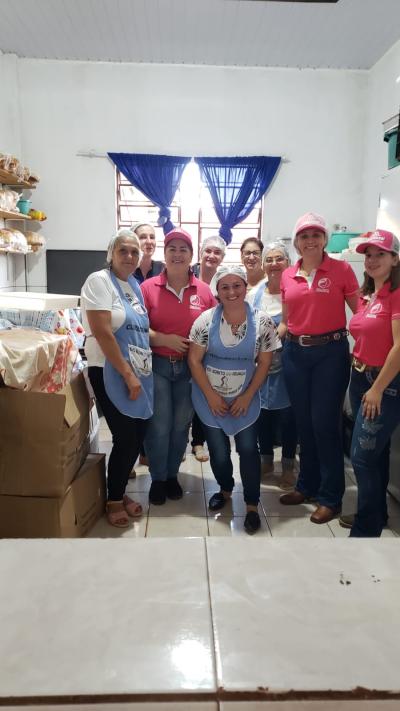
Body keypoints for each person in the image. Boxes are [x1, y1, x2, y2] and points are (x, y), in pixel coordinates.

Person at [279, 212, 359, 524]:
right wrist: (266, 341)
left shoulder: (341, 270)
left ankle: (331, 497)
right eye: (304, 236)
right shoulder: (288, 274)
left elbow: (360, 312)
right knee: (304, 424)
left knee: (325, 425)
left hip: (330, 353)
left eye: (316, 234)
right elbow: (287, 321)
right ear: (297, 242)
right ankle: (306, 486)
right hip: (295, 354)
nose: (310, 240)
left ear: (324, 239)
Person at [189, 265, 280, 534]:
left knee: (249, 449)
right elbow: (194, 360)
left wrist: (248, 396)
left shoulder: (262, 322)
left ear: (245, 287)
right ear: (217, 291)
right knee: (218, 450)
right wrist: (211, 396)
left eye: (237, 285)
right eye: (225, 287)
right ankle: (225, 488)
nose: (231, 291)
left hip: (245, 396)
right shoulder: (205, 321)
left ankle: (252, 503)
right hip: (209, 397)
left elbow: (264, 363)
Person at [80, 229, 153, 528]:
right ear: (111, 253)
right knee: (125, 438)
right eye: (123, 250)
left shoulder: (133, 285)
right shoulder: (99, 281)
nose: (130, 256)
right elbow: (103, 332)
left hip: (138, 371)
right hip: (109, 370)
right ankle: (113, 500)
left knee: (138, 435)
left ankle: (119, 492)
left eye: (135, 252)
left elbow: (140, 330)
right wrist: (126, 373)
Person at [140, 228, 216, 505]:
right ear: (164, 254)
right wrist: (163, 339)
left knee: (180, 425)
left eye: (183, 249)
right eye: (172, 248)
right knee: (159, 425)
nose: (177, 253)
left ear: (191, 257)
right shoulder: (147, 288)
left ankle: (172, 475)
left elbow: (214, 329)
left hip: (190, 370)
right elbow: (136, 328)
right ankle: (158, 478)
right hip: (157, 365)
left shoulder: (205, 292)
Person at [345, 230, 400, 537]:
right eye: (368, 254)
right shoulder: (369, 296)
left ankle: (365, 530)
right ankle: (376, 514)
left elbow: (399, 346)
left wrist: (377, 388)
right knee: (375, 455)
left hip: (383, 383)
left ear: (395, 258)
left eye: (381, 253)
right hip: (360, 376)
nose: (373, 260)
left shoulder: (396, 293)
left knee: (362, 457)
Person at [248, 241, 298, 490]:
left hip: (289, 359)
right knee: (262, 413)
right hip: (261, 363)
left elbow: (288, 324)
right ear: (263, 264)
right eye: (269, 259)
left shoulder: (295, 290)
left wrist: (269, 345)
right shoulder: (255, 292)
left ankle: (288, 465)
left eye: (280, 259)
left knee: (289, 416)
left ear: (288, 262)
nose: (274, 264)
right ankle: (266, 460)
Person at [131, 221, 164, 468]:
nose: (149, 241)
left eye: (152, 236)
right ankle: (136, 453)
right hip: (133, 347)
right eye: (143, 237)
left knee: (155, 404)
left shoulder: (163, 269)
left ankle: (151, 451)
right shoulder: (123, 271)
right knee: (134, 401)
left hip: (160, 349)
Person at [191, 235, 227, 461]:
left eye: (217, 253)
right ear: (200, 253)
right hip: (185, 346)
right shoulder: (188, 277)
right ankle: (176, 444)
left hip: (212, 350)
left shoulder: (224, 282)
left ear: (222, 257)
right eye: (208, 251)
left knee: (205, 394)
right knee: (184, 399)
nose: (212, 256)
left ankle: (198, 442)